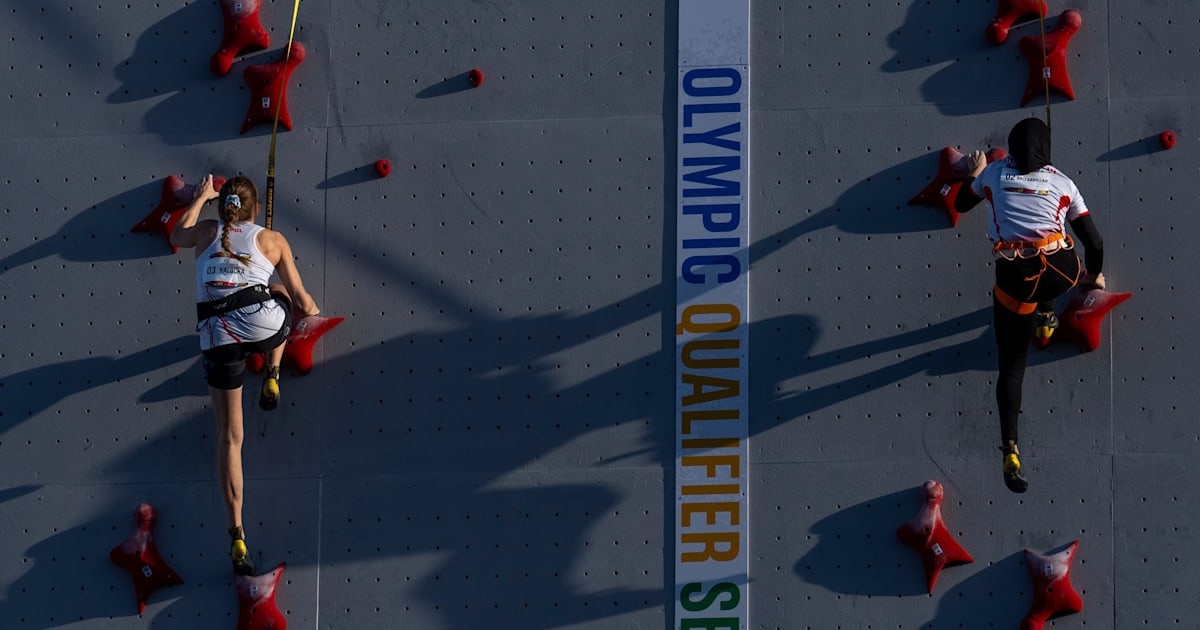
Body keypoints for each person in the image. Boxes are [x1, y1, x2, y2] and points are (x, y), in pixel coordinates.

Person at [170, 174, 319, 573]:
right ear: (254, 209)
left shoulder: (203, 231)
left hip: (217, 337)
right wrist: (314, 320)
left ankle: (236, 534)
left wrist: (200, 199)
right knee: (282, 296)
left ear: (222, 207)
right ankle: (272, 370)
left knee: (229, 439)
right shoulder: (272, 239)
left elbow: (176, 236)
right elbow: (304, 302)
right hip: (261, 325)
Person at [954, 118, 1105, 494]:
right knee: (1054, 256)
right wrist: (1092, 277)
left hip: (1015, 282)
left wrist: (974, 172)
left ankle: (1010, 448)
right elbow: (1095, 244)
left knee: (1013, 366)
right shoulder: (1063, 182)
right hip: (1062, 273)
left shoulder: (991, 176)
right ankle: (1048, 313)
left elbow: (960, 203)